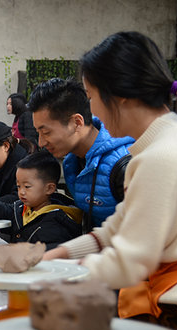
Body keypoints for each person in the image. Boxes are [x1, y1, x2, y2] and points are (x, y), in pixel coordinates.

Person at [43, 31, 177, 330]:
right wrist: (57, 256)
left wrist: (54, 280)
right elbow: (115, 230)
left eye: (92, 97)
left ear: (121, 95)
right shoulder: (166, 142)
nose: (92, 110)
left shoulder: (163, 154)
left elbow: (130, 261)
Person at [29, 78, 134, 231]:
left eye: (46, 132)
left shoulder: (124, 165)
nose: (41, 143)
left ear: (77, 122)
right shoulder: (72, 162)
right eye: (38, 133)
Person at [0, 151, 81, 249]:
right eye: (18, 186)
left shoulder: (57, 223)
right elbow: (7, 210)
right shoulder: (23, 208)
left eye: (27, 186)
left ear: (49, 188)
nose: (21, 192)